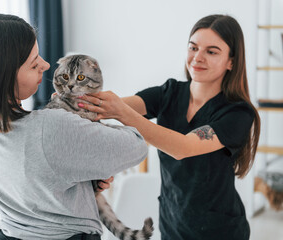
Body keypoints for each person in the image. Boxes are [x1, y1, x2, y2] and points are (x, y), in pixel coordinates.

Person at [0, 13, 148, 240]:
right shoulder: (52, 127)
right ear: (3, 77)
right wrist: (118, 112)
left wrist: (83, 176)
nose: (45, 65)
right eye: (34, 64)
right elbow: (136, 146)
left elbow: (38, 179)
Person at [78, 14, 261, 240]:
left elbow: (182, 147)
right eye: (193, 48)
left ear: (231, 61)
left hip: (219, 231)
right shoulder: (169, 93)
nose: (197, 58)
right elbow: (111, 105)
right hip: (172, 224)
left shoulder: (237, 113)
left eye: (211, 51)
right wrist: (75, 104)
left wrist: (121, 112)